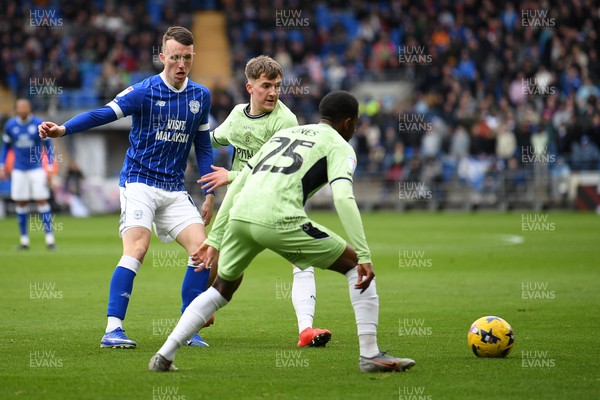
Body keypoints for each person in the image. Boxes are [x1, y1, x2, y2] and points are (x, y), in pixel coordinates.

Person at [149, 91, 416, 373]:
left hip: (241, 215)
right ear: (349, 122)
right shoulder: (340, 146)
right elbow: (343, 198)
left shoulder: (285, 135)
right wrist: (364, 254)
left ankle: (165, 355)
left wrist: (215, 238)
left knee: (222, 289)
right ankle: (370, 355)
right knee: (353, 265)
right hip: (279, 217)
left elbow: (238, 184)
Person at [39, 26, 215, 349]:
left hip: (175, 189)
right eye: (175, 57)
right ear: (162, 57)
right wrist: (63, 129)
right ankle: (112, 329)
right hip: (139, 182)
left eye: (187, 58)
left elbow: (203, 146)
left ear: (193, 57)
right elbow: (103, 114)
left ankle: (189, 327)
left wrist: (209, 192)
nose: (181, 64)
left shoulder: (200, 96)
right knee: (137, 248)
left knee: (203, 254)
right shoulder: (144, 91)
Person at [199, 55, 332, 347]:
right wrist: (184, 133)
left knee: (302, 263)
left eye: (277, 86)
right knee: (215, 259)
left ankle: (306, 330)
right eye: (266, 86)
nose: (273, 92)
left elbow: (273, 170)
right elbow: (212, 140)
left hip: (279, 201)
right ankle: (196, 316)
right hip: (243, 202)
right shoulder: (236, 115)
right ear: (249, 87)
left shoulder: (285, 121)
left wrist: (230, 176)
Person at [0, 99, 56, 250]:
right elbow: (6, 147)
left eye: (26, 107)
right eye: (21, 107)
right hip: (18, 169)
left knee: (42, 201)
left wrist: (50, 166)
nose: (24, 110)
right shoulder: (11, 126)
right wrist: (2, 165)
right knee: (21, 202)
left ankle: (50, 240)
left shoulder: (38, 123)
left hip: (36, 168)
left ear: (30, 109)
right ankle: (24, 241)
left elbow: (48, 145)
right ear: (15, 110)